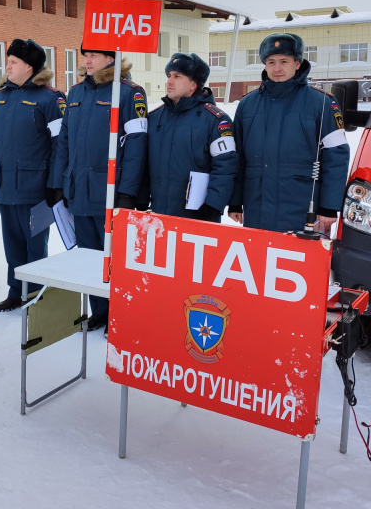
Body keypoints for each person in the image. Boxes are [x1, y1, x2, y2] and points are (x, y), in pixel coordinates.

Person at [53, 45, 147, 330]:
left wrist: (128, 192)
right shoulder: (77, 92)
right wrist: (59, 183)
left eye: (94, 55)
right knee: (88, 255)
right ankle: (100, 311)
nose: (87, 60)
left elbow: (137, 146)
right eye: (86, 55)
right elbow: (64, 141)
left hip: (109, 193)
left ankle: (119, 314)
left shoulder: (130, 93)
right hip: (79, 190)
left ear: (111, 58)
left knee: (115, 258)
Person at [228, 33, 350, 233]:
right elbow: (237, 156)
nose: (277, 68)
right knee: (258, 260)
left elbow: (336, 157)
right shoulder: (247, 105)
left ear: (297, 63)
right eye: (271, 62)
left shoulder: (322, 103)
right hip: (256, 206)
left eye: (284, 61)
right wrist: (235, 201)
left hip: (303, 208)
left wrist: (329, 206)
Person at [0, 39, 65, 312]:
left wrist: (55, 183)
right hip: (5, 185)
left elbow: (60, 144)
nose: (8, 66)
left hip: (35, 188)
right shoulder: (0, 97)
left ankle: (36, 296)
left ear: (29, 67)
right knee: (12, 245)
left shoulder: (50, 99)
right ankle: (15, 291)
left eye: (14, 62)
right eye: (8, 61)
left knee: (35, 246)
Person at [146, 53, 238, 222]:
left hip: (198, 218)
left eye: (177, 76)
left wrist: (213, 205)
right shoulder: (154, 117)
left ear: (193, 85)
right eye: (169, 76)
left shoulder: (215, 120)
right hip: (158, 215)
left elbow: (226, 167)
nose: (169, 81)